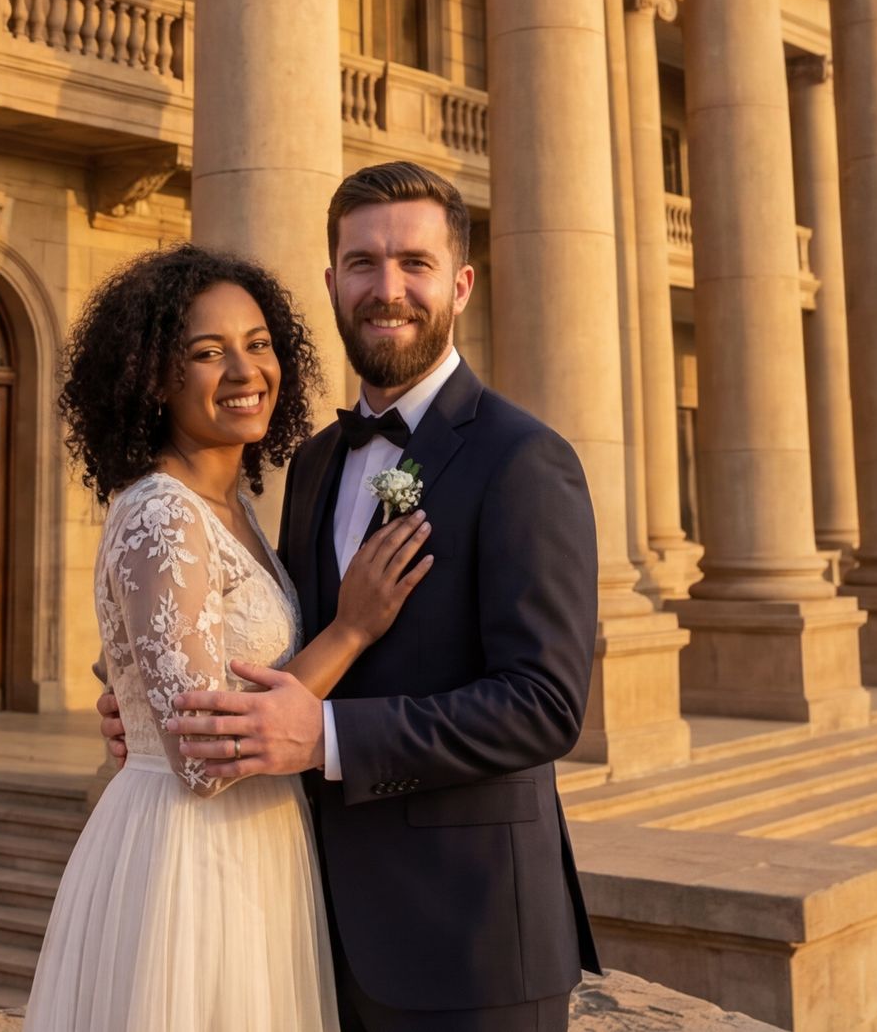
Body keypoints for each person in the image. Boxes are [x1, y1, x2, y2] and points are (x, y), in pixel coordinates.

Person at [104, 160, 604, 1032]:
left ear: (461, 282)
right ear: (332, 280)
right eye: (363, 263)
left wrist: (324, 733)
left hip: (470, 942)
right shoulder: (312, 463)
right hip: (303, 923)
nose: (388, 288)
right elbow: (254, 631)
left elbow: (545, 703)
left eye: (413, 262)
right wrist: (148, 692)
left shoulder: (525, 459)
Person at [25, 242, 437, 1032]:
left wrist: (128, 690)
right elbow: (204, 757)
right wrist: (351, 628)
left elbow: (184, 661)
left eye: (258, 344)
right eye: (207, 352)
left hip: (262, 844)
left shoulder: (238, 506)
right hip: (190, 856)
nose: (246, 370)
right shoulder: (161, 509)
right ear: (155, 376)